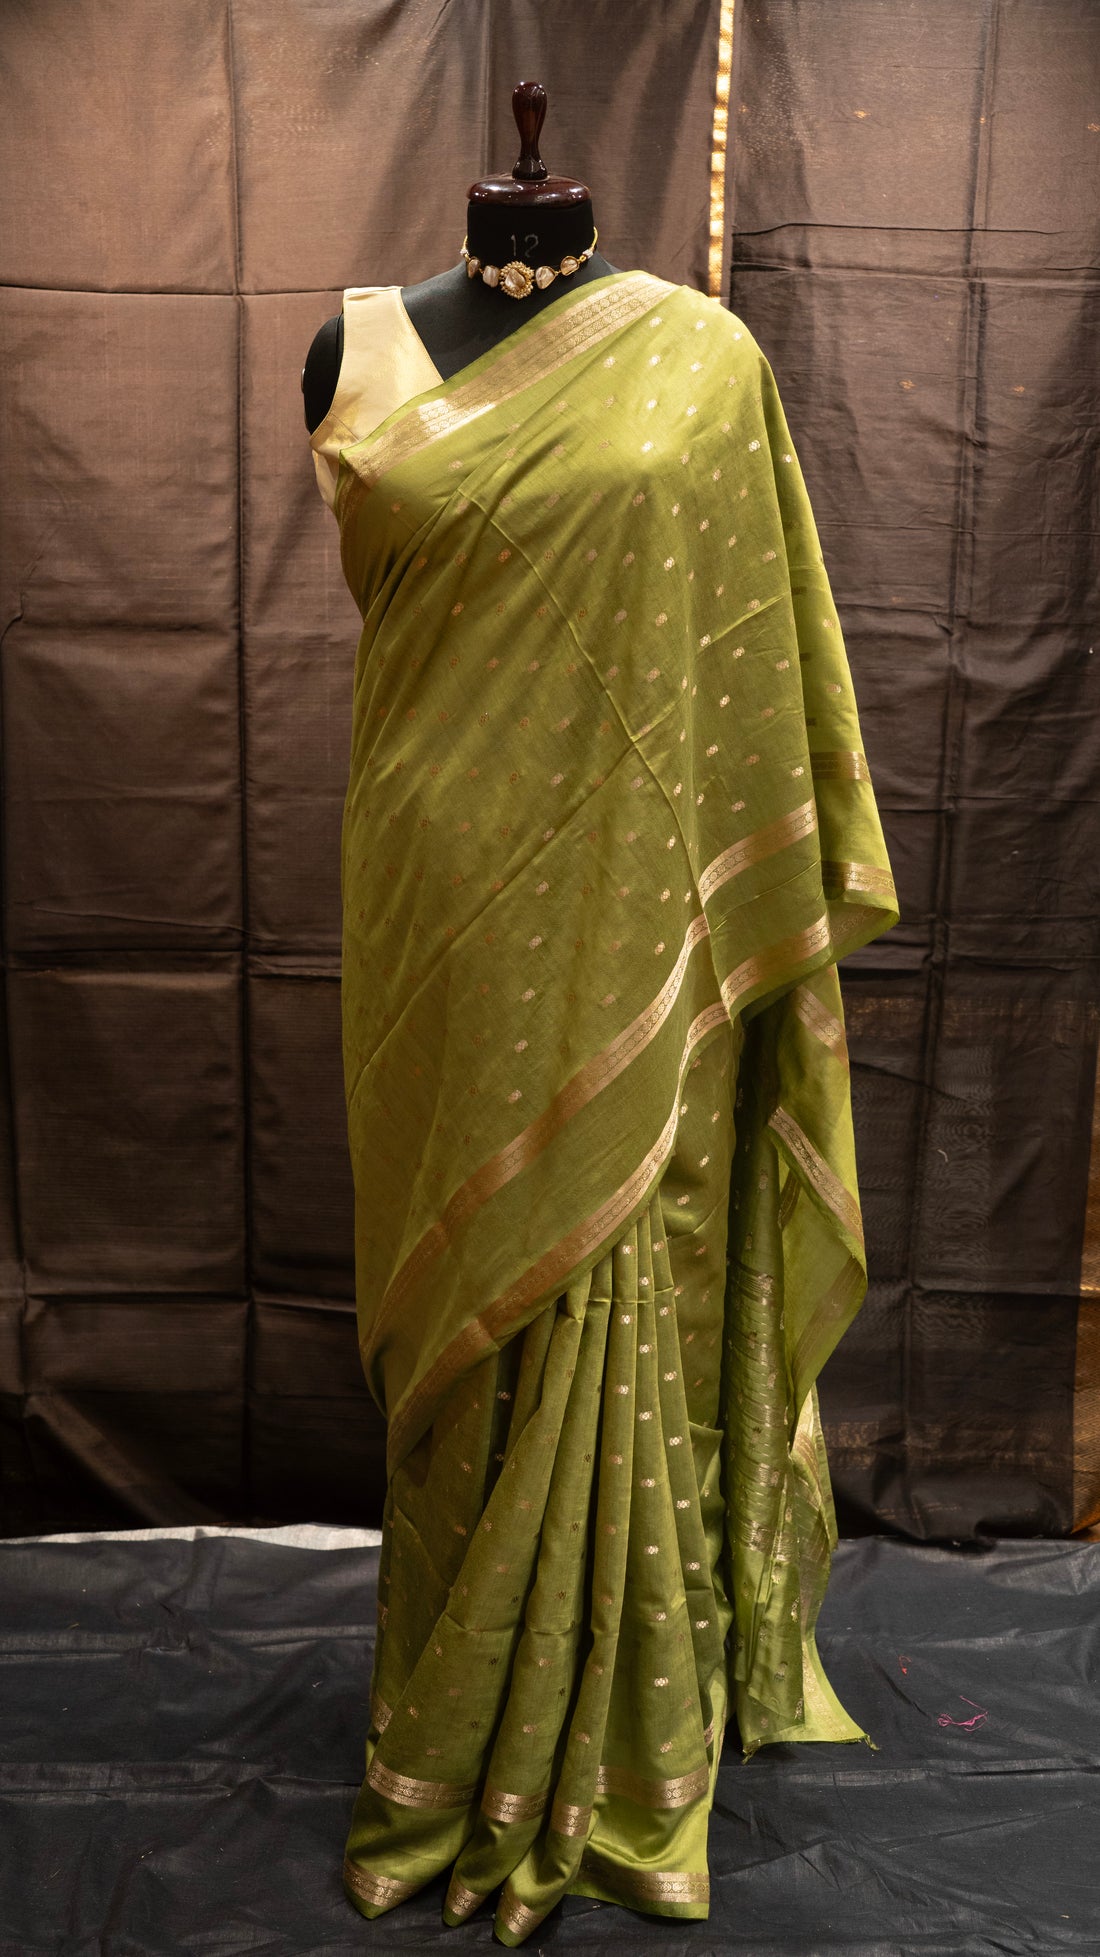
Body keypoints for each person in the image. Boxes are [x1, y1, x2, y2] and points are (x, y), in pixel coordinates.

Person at [305, 215, 897, 1945]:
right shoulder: (357, 346)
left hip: (634, 904)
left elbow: (753, 656)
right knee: (458, 1298)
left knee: (615, 1241)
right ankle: (460, 1693)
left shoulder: (706, 365)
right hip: (431, 911)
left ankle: (618, 1699)